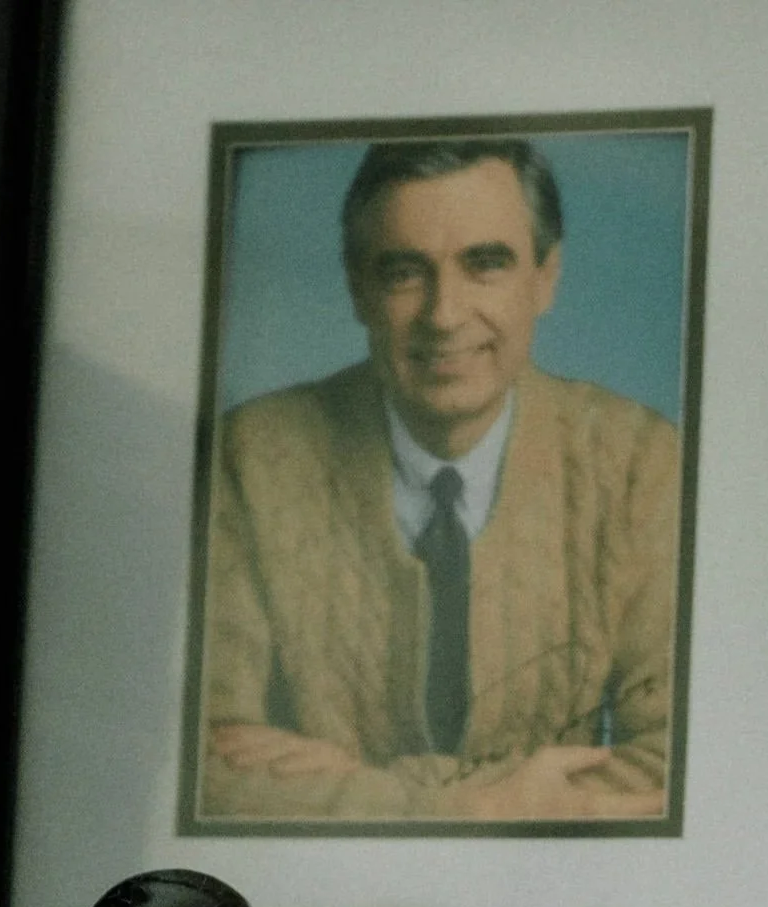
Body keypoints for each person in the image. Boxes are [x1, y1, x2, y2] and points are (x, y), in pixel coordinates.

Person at [193, 136, 682, 827]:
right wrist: (473, 804)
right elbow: (198, 768)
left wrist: (367, 796)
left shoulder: (641, 463)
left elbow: (678, 762)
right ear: (357, 287)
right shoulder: (248, 456)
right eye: (403, 272)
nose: (444, 314)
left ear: (546, 277)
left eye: (485, 265)